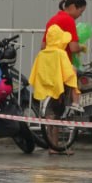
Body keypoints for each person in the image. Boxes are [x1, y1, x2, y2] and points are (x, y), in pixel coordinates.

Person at [29, 23, 82, 155]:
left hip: (46, 85)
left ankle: (52, 145)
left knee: (49, 117)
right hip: (59, 86)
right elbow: (67, 72)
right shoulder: (60, 53)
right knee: (57, 114)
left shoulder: (42, 54)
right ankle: (76, 102)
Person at [42, 0, 88, 67]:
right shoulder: (69, 20)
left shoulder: (52, 19)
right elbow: (74, 48)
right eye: (81, 11)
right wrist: (81, 48)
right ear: (73, 7)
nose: (80, 15)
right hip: (62, 66)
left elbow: (43, 46)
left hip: (49, 65)